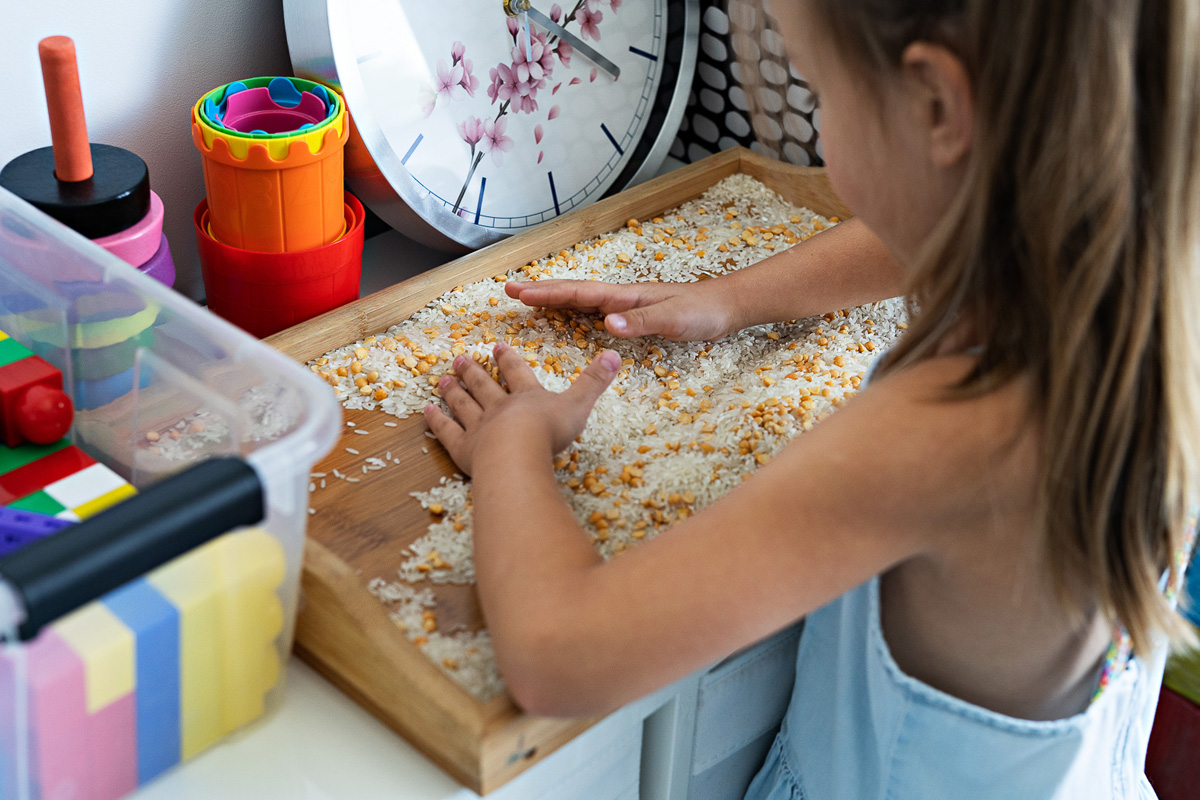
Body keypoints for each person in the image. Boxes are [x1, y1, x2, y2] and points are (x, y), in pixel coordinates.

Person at [422, 0, 1200, 795]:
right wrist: (733, 300)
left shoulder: (947, 438)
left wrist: (511, 444)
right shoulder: (1155, 278)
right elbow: (962, 210)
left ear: (937, 106)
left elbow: (561, 656)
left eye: (821, 91)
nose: (821, 126)